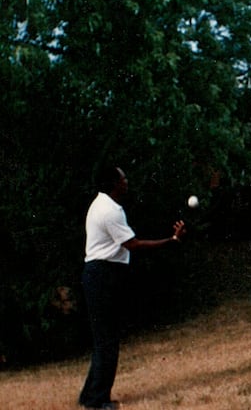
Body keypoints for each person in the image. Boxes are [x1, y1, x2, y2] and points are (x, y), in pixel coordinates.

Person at [79, 167, 186, 410]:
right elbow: (133, 245)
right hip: (103, 275)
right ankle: (97, 402)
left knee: (103, 340)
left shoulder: (102, 204)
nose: (127, 182)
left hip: (99, 275)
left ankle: (89, 395)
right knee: (107, 342)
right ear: (115, 184)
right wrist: (172, 241)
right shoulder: (109, 211)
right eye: (124, 178)